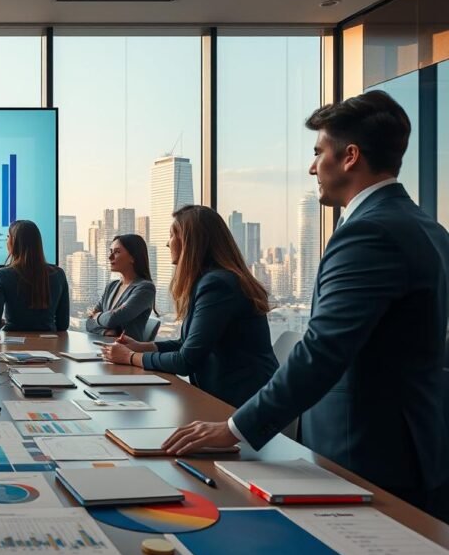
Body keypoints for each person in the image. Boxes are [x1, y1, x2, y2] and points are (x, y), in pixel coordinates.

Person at [160, 91, 449, 520]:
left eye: (319, 153)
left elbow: (322, 351)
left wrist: (233, 429)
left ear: (350, 157)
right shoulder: (427, 227)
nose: (313, 167)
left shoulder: (368, 233)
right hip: (415, 443)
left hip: (367, 449)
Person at [102, 205, 278, 408]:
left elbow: (186, 361)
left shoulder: (218, 285)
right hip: (224, 398)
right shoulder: (210, 280)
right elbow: (188, 344)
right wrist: (143, 346)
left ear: (190, 242)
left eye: (172, 236)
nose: (168, 244)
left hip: (242, 405)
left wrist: (131, 357)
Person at [0, 220, 69, 333]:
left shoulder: (2, 275)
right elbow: (63, 325)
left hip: (13, 345)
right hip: (49, 345)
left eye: (8, 236)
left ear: (15, 242)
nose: (6, 240)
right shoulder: (58, 274)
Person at [85, 234, 156, 339]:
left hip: (127, 352)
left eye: (117, 252)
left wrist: (97, 316)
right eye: (110, 251)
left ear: (133, 258)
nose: (110, 257)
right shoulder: (111, 286)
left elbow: (112, 319)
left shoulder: (145, 288)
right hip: (104, 348)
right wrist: (105, 331)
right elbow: (88, 323)